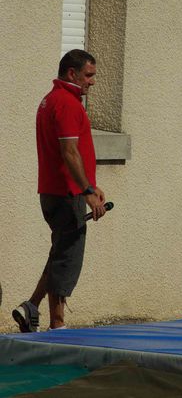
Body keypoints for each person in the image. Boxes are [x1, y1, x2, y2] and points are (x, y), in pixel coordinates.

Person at [12, 50, 107, 331]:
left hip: (57, 191)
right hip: (67, 194)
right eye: (88, 75)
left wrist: (91, 184)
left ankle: (31, 306)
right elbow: (69, 152)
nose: (92, 82)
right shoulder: (66, 103)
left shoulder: (50, 100)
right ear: (71, 74)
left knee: (60, 251)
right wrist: (86, 189)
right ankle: (57, 325)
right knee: (67, 258)